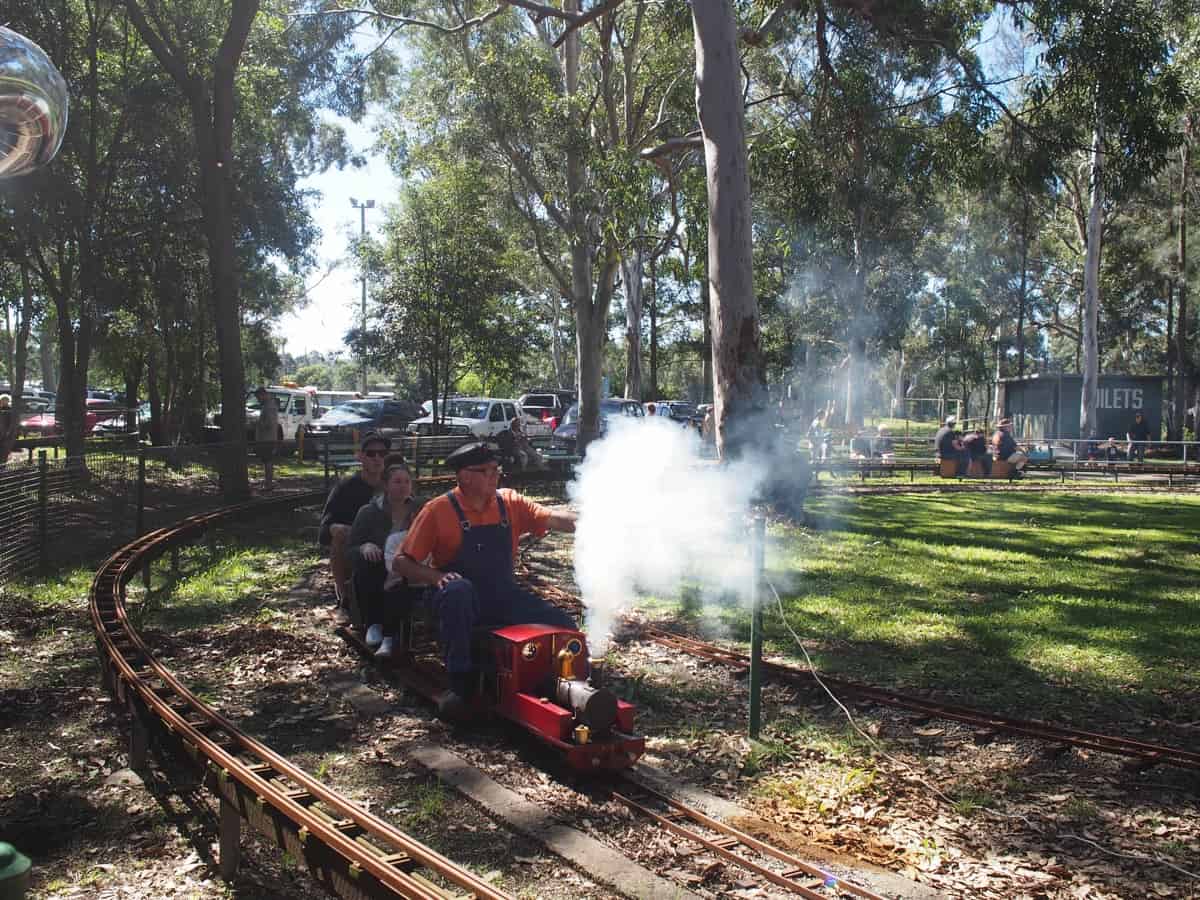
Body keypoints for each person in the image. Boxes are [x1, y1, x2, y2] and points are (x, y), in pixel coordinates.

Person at [393, 442, 577, 718]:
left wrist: (596, 521)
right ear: (465, 476)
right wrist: (436, 577)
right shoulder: (438, 510)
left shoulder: (510, 502)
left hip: (501, 595)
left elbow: (554, 519)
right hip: (454, 599)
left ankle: (561, 683)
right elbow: (401, 562)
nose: (496, 475)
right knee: (459, 590)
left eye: (496, 469)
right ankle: (460, 687)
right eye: (487, 471)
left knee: (563, 625)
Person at [346, 457, 423, 659]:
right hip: (378, 564)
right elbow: (350, 549)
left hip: (410, 564)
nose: (403, 486)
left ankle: (390, 636)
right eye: (397, 482)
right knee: (370, 564)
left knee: (402, 577)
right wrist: (364, 546)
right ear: (386, 485)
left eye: (406, 482)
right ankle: (373, 623)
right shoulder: (369, 512)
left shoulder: (421, 509)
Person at [318, 431, 390, 625]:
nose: (377, 458)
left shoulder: (394, 485)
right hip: (356, 546)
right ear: (360, 456)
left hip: (390, 545)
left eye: (382, 453)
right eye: (371, 453)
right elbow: (324, 530)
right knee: (339, 535)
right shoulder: (345, 487)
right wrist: (338, 529)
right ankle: (344, 600)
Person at [253, 387, 280, 491]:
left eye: (258, 397)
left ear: (263, 395)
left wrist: (257, 424)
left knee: (268, 461)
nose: (258, 400)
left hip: (267, 439)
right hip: (267, 438)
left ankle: (269, 484)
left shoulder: (269, 406)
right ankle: (268, 483)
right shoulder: (268, 405)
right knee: (266, 461)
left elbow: (269, 424)